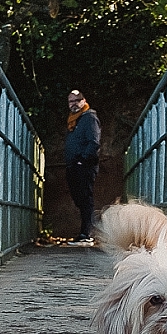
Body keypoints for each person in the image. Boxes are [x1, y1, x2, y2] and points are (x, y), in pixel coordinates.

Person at [64, 89, 102, 243]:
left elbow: (94, 142)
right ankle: (85, 232)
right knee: (79, 198)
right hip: (74, 165)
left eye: (76, 100)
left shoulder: (89, 118)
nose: (73, 104)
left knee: (85, 198)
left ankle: (87, 233)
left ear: (84, 101)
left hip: (84, 166)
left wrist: (83, 160)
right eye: (70, 101)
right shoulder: (74, 120)